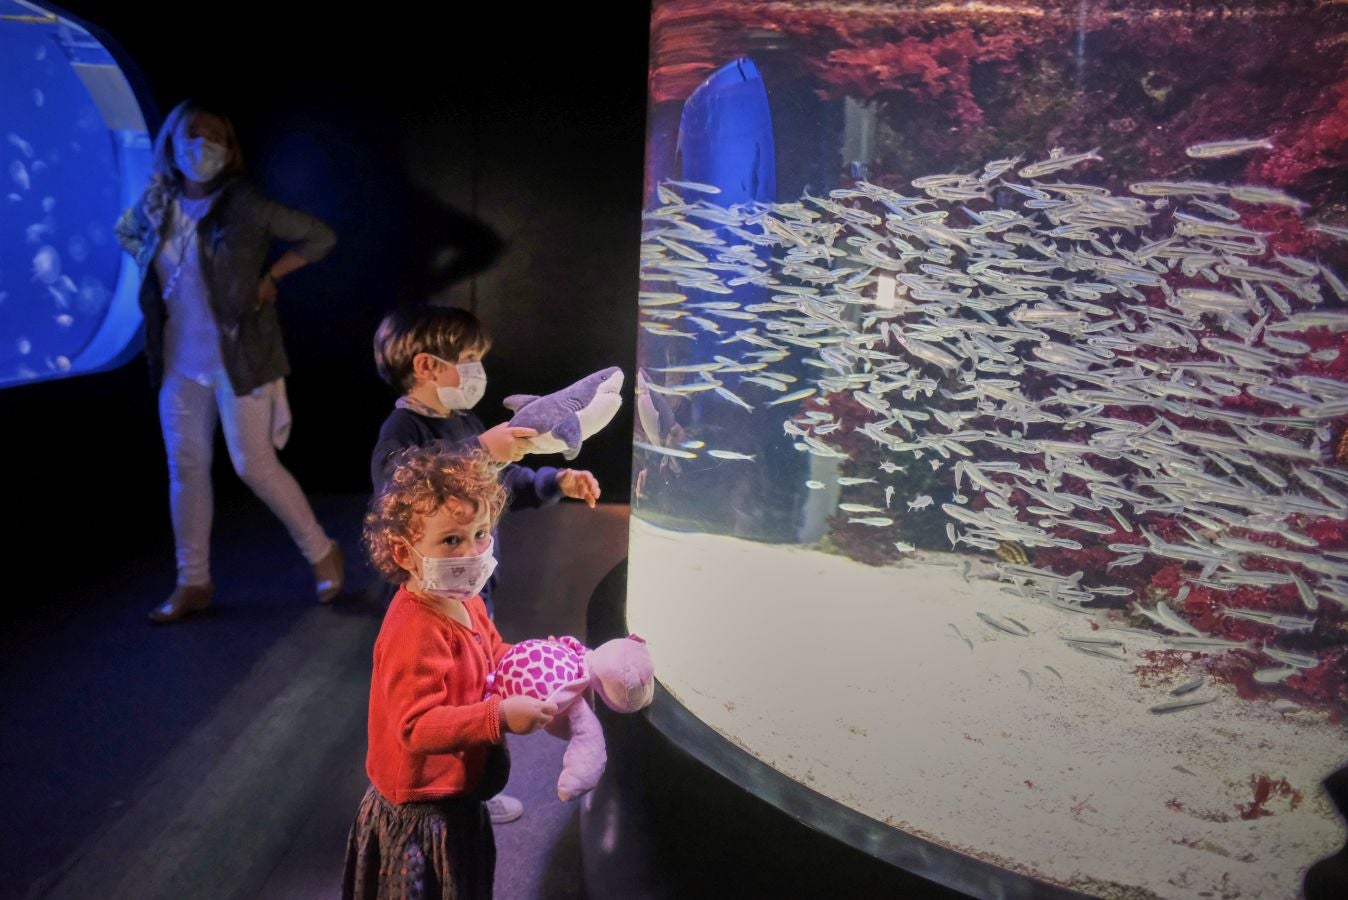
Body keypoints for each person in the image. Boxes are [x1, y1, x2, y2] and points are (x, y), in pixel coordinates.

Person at [369, 303, 600, 823]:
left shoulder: (463, 421)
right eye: (470, 358)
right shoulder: (401, 432)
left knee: (476, 676)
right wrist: (481, 449)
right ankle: (443, 790)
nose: (479, 369)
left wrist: (553, 482)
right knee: (444, 690)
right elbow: (402, 485)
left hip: (468, 593)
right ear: (428, 366)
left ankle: (471, 780)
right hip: (432, 593)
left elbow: (499, 483)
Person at [115, 99, 344, 623]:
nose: (204, 146)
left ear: (231, 148)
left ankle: (320, 550)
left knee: (254, 465)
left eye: (216, 136)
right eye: (193, 134)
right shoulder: (156, 202)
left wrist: (272, 276)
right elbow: (125, 234)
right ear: (171, 140)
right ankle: (192, 581)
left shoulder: (244, 203)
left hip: (241, 355)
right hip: (178, 359)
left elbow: (320, 236)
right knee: (185, 468)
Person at [344, 445, 557, 899]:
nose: (475, 551)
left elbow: (494, 654)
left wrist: (545, 667)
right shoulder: (414, 629)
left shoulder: (466, 599)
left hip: (457, 793)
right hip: (421, 811)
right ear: (404, 552)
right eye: (452, 540)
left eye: (482, 533)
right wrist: (498, 717)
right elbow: (416, 726)